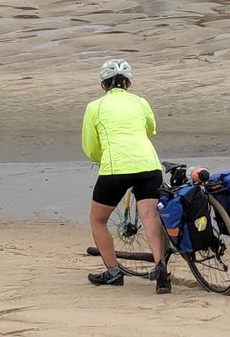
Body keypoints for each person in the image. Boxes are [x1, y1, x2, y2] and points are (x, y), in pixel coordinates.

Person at [82, 59, 171, 294]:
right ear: (128, 83)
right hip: (148, 165)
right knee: (150, 215)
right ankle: (161, 269)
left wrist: (100, 159)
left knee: (97, 220)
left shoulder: (95, 107)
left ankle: (113, 272)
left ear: (104, 84)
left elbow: (90, 146)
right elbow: (150, 129)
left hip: (115, 168)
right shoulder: (141, 102)